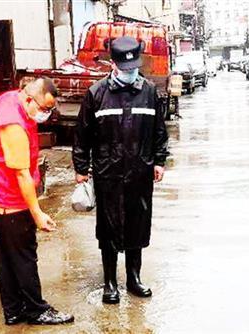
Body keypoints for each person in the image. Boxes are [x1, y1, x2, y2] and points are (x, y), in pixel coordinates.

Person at [73, 36, 169, 304]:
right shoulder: (96, 94)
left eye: (133, 68)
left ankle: (134, 278)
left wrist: (159, 161)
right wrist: (81, 168)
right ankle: (110, 283)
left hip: (140, 172)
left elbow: (159, 131)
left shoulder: (149, 91)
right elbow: (82, 135)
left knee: (138, 224)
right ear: (113, 64)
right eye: (125, 69)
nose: (130, 73)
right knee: (109, 229)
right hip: (108, 174)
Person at [0, 77, 74, 325]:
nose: (46, 115)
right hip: (8, 195)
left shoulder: (10, 99)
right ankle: (36, 310)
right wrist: (37, 213)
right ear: (29, 98)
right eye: (43, 109)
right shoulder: (14, 124)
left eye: (50, 110)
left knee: (8, 254)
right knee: (25, 254)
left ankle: (13, 309)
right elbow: (21, 173)